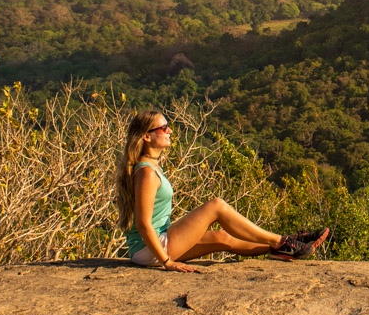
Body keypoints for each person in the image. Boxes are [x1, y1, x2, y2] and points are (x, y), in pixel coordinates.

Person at [115, 110, 328, 273]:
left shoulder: (150, 167)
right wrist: (167, 262)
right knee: (216, 206)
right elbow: (143, 224)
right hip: (150, 250)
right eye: (163, 128)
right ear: (146, 137)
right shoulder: (145, 173)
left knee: (222, 237)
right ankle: (281, 241)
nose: (169, 131)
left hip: (154, 246)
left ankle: (285, 248)